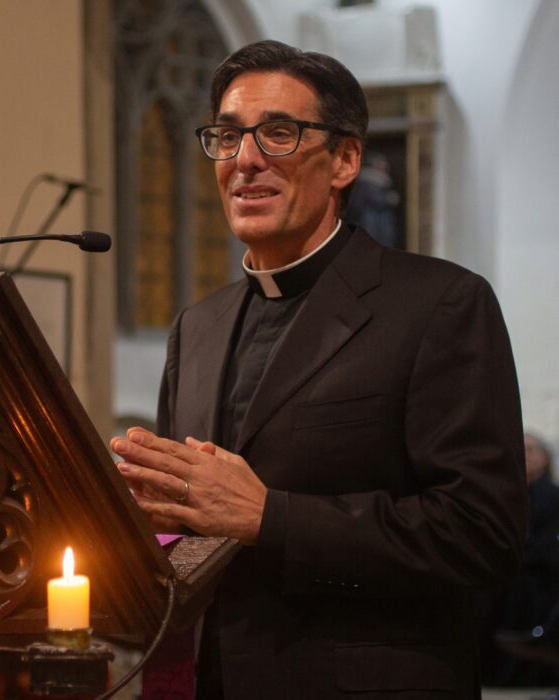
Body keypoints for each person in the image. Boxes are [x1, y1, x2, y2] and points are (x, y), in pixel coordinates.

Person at [110, 39, 526, 699]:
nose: (245, 160)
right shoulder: (198, 327)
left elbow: (483, 534)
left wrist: (269, 518)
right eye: (227, 135)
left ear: (346, 159)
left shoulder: (438, 304)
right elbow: (185, 520)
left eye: (278, 133)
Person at [478, 433, 559, 685]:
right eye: (520, 449)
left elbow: (548, 546)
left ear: (545, 458)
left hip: (536, 576)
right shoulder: (503, 495)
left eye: (531, 449)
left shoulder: (552, 495)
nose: (525, 456)